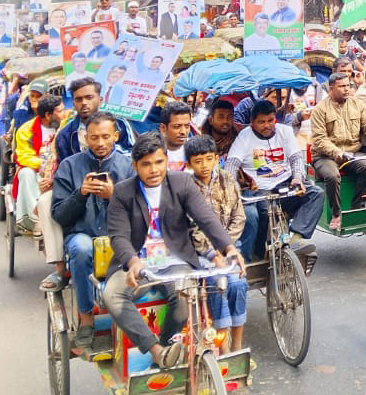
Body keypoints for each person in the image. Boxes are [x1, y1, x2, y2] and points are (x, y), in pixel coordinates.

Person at [104, 134, 245, 369]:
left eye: (159, 162)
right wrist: (133, 262)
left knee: (184, 297)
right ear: (135, 165)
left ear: (166, 160)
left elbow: (206, 219)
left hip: (175, 260)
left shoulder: (182, 183)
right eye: (146, 164)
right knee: (113, 296)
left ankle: (168, 346)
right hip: (137, 263)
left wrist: (229, 248)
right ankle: (156, 350)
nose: (153, 170)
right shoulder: (123, 192)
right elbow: (118, 235)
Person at [46, 113, 135, 345]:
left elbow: (139, 212)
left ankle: (130, 316)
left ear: (116, 136)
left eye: (106, 137)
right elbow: (59, 214)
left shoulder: (128, 167)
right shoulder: (69, 166)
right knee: (82, 248)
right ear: (86, 138)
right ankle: (86, 318)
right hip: (81, 234)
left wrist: (114, 196)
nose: (100, 143)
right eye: (94, 138)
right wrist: (81, 194)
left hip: (119, 235)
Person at [225, 100, 324, 256]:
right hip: (260, 189)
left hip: (285, 183)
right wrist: (233, 188)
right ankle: (259, 252)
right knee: (264, 212)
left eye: (270, 120)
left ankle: (295, 239)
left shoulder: (285, 131)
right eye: (261, 122)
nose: (267, 125)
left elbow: (296, 158)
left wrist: (297, 178)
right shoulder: (245, 136)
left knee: (316, 193)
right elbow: (231, 164)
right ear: (252, 123)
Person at [184, 136, 248, 354]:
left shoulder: (227, 180)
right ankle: (223, 347)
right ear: (189, 164)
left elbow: (239, 216)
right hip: (201, 252)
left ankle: (237, 344)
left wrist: (226, 244)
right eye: (198, 161)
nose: (204, 165)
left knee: (238, 283)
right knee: (218, 284)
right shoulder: (186, 187)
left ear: (217, 159)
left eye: (209, 159)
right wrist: (213, 251)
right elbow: (193, 228)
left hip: (229, 246)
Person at [310, 69, 366, 232]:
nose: (346, 89)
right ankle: (336, 213)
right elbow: (319, 139)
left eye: (348, 85)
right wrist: (336, 152)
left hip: (352, 153)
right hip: (325, 156)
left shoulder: (357, 104)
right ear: (331, 88)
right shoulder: (320, 109)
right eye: (341, 86)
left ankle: (356, 207)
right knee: (332, 176)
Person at [13, 94, 64, 234]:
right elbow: (23, 156)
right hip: (37, 172)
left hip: (59, 170)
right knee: (25, 173)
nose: (64, 114)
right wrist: (42, 165)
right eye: (60, 111)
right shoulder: (26, 130)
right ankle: (36, 219)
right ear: (48, 115)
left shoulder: (65, 126)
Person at [55, 76, 135, 161]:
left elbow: (133, 154)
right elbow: (65, 167)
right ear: (73, 104)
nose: (84, 103)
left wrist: (109, 151)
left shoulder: (119, 123)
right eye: (78, 99)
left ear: (100, 100)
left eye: (89, 97)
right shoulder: (65, 135)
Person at [160, 100, 195, 171]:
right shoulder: (152, 152)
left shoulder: (197, 150)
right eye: (177, 126)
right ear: (163, 128)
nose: (183, 131)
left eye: (187, 126)